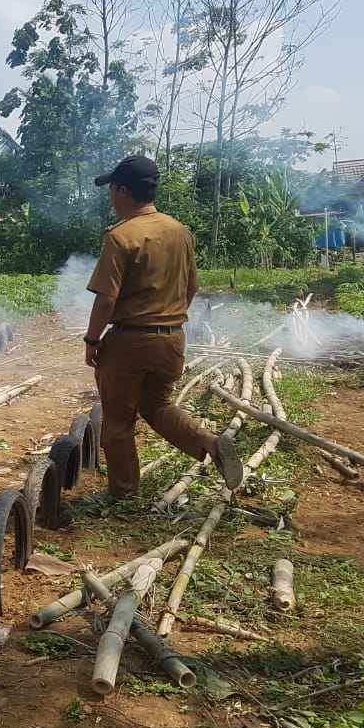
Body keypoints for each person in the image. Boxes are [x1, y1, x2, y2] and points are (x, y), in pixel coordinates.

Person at [84, 154, 243, 499]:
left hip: (129, 342)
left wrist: (92, 340)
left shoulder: (120, 236)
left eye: (112, 190)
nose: (111, 197)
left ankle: (123, 493)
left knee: (118, 419)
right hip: (172, 339)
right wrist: (167, 320)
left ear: (123, 191)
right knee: (156, 406)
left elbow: (106, 300)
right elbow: (192, 288)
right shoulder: (180, 231)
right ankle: (210, 443)